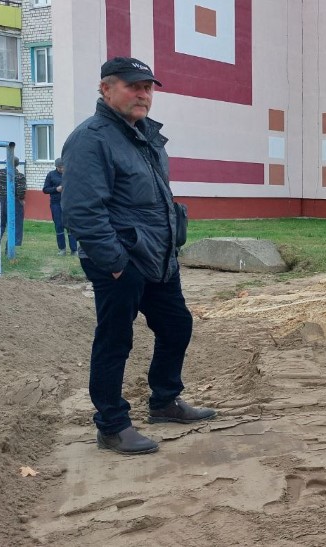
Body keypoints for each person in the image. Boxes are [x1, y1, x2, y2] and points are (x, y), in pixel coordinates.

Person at [61, 56, 215, 456]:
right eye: (133, 86)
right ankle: (112, 426)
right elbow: (82, 211)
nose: (143, 94)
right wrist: (115, 263)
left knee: (177, 325)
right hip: (120, 261)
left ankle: (165, 401)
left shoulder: (145, 136)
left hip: (157, 257)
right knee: (115, 340)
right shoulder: (91, 138)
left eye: (147, 87)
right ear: (106, 89)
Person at [0, 157, 27, 246]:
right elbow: (21, 190)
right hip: (14, 201)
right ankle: (10, 248)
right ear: (17, 164)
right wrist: (21, 199)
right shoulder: (19, 176)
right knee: (15, 225)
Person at [42, 158, 78, 255]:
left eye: (63, 167)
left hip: (69, 204)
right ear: (56, 167)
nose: (62, 169)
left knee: (70, 226)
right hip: (56, 204)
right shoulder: (51, 175)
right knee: (59, 226)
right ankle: (62, 249)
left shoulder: (70, 174)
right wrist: (56, 189)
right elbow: (45, 189)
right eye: (60, 167)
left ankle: (74, 250)